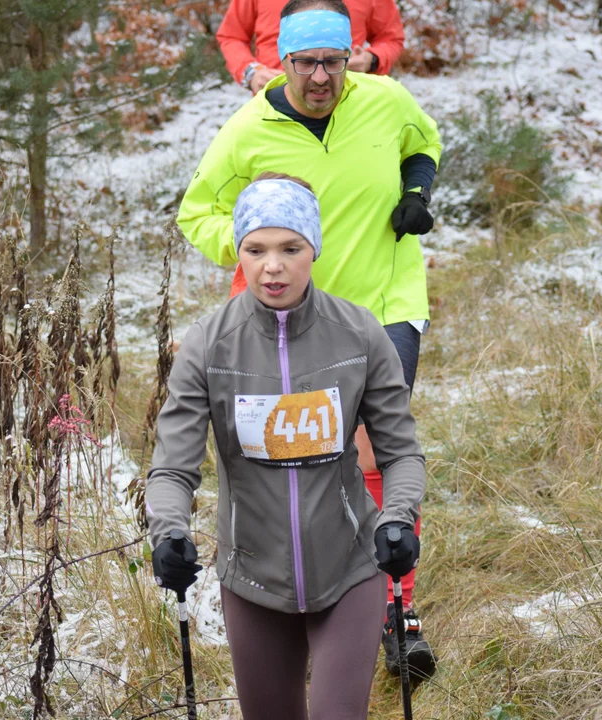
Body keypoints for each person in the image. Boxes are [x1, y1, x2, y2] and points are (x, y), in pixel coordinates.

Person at [176, 0, 440, 679]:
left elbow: (424, 143)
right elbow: (195, 208)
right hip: (295, 318)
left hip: (383, 303)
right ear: (282, 61)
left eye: (333, 61)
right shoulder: (250, 125)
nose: (321, 77)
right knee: (307, 448)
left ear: (351, 54)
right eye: (305, 63)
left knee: (372, 444)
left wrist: (417, 191)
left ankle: (395, 604)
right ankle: (305, 589)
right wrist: (249, 251)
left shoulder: (385, 100)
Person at [148, 175, 426, 719]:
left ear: (313, 249)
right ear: (241, 253)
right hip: (252, 580)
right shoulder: (209, 343)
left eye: (289, 249)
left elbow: (400, 454)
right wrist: (170, 532)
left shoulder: (359, 334)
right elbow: (172, 469)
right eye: (256, 249)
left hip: (351, 568)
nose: (272, 266)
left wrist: (397, 518)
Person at [217, 0, 406, 93]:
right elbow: (232, 36)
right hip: (274, 104)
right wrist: (250, 72)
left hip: (346, 106)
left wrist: (371, 59)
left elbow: (390, 38)